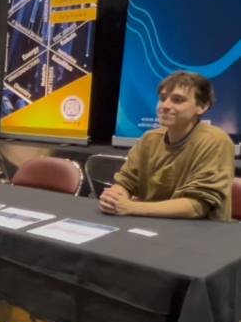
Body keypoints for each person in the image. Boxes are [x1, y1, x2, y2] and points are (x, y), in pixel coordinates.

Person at [101, 71, 235, 220]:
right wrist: (115, 197)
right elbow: (126, 182)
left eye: (177, 100)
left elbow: (197, 206)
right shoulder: (149, 139)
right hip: (151, 225)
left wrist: (130, 207)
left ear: (202, 107)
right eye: (162, 99)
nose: (165, 106)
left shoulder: (215, 141)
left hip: (199, 230)